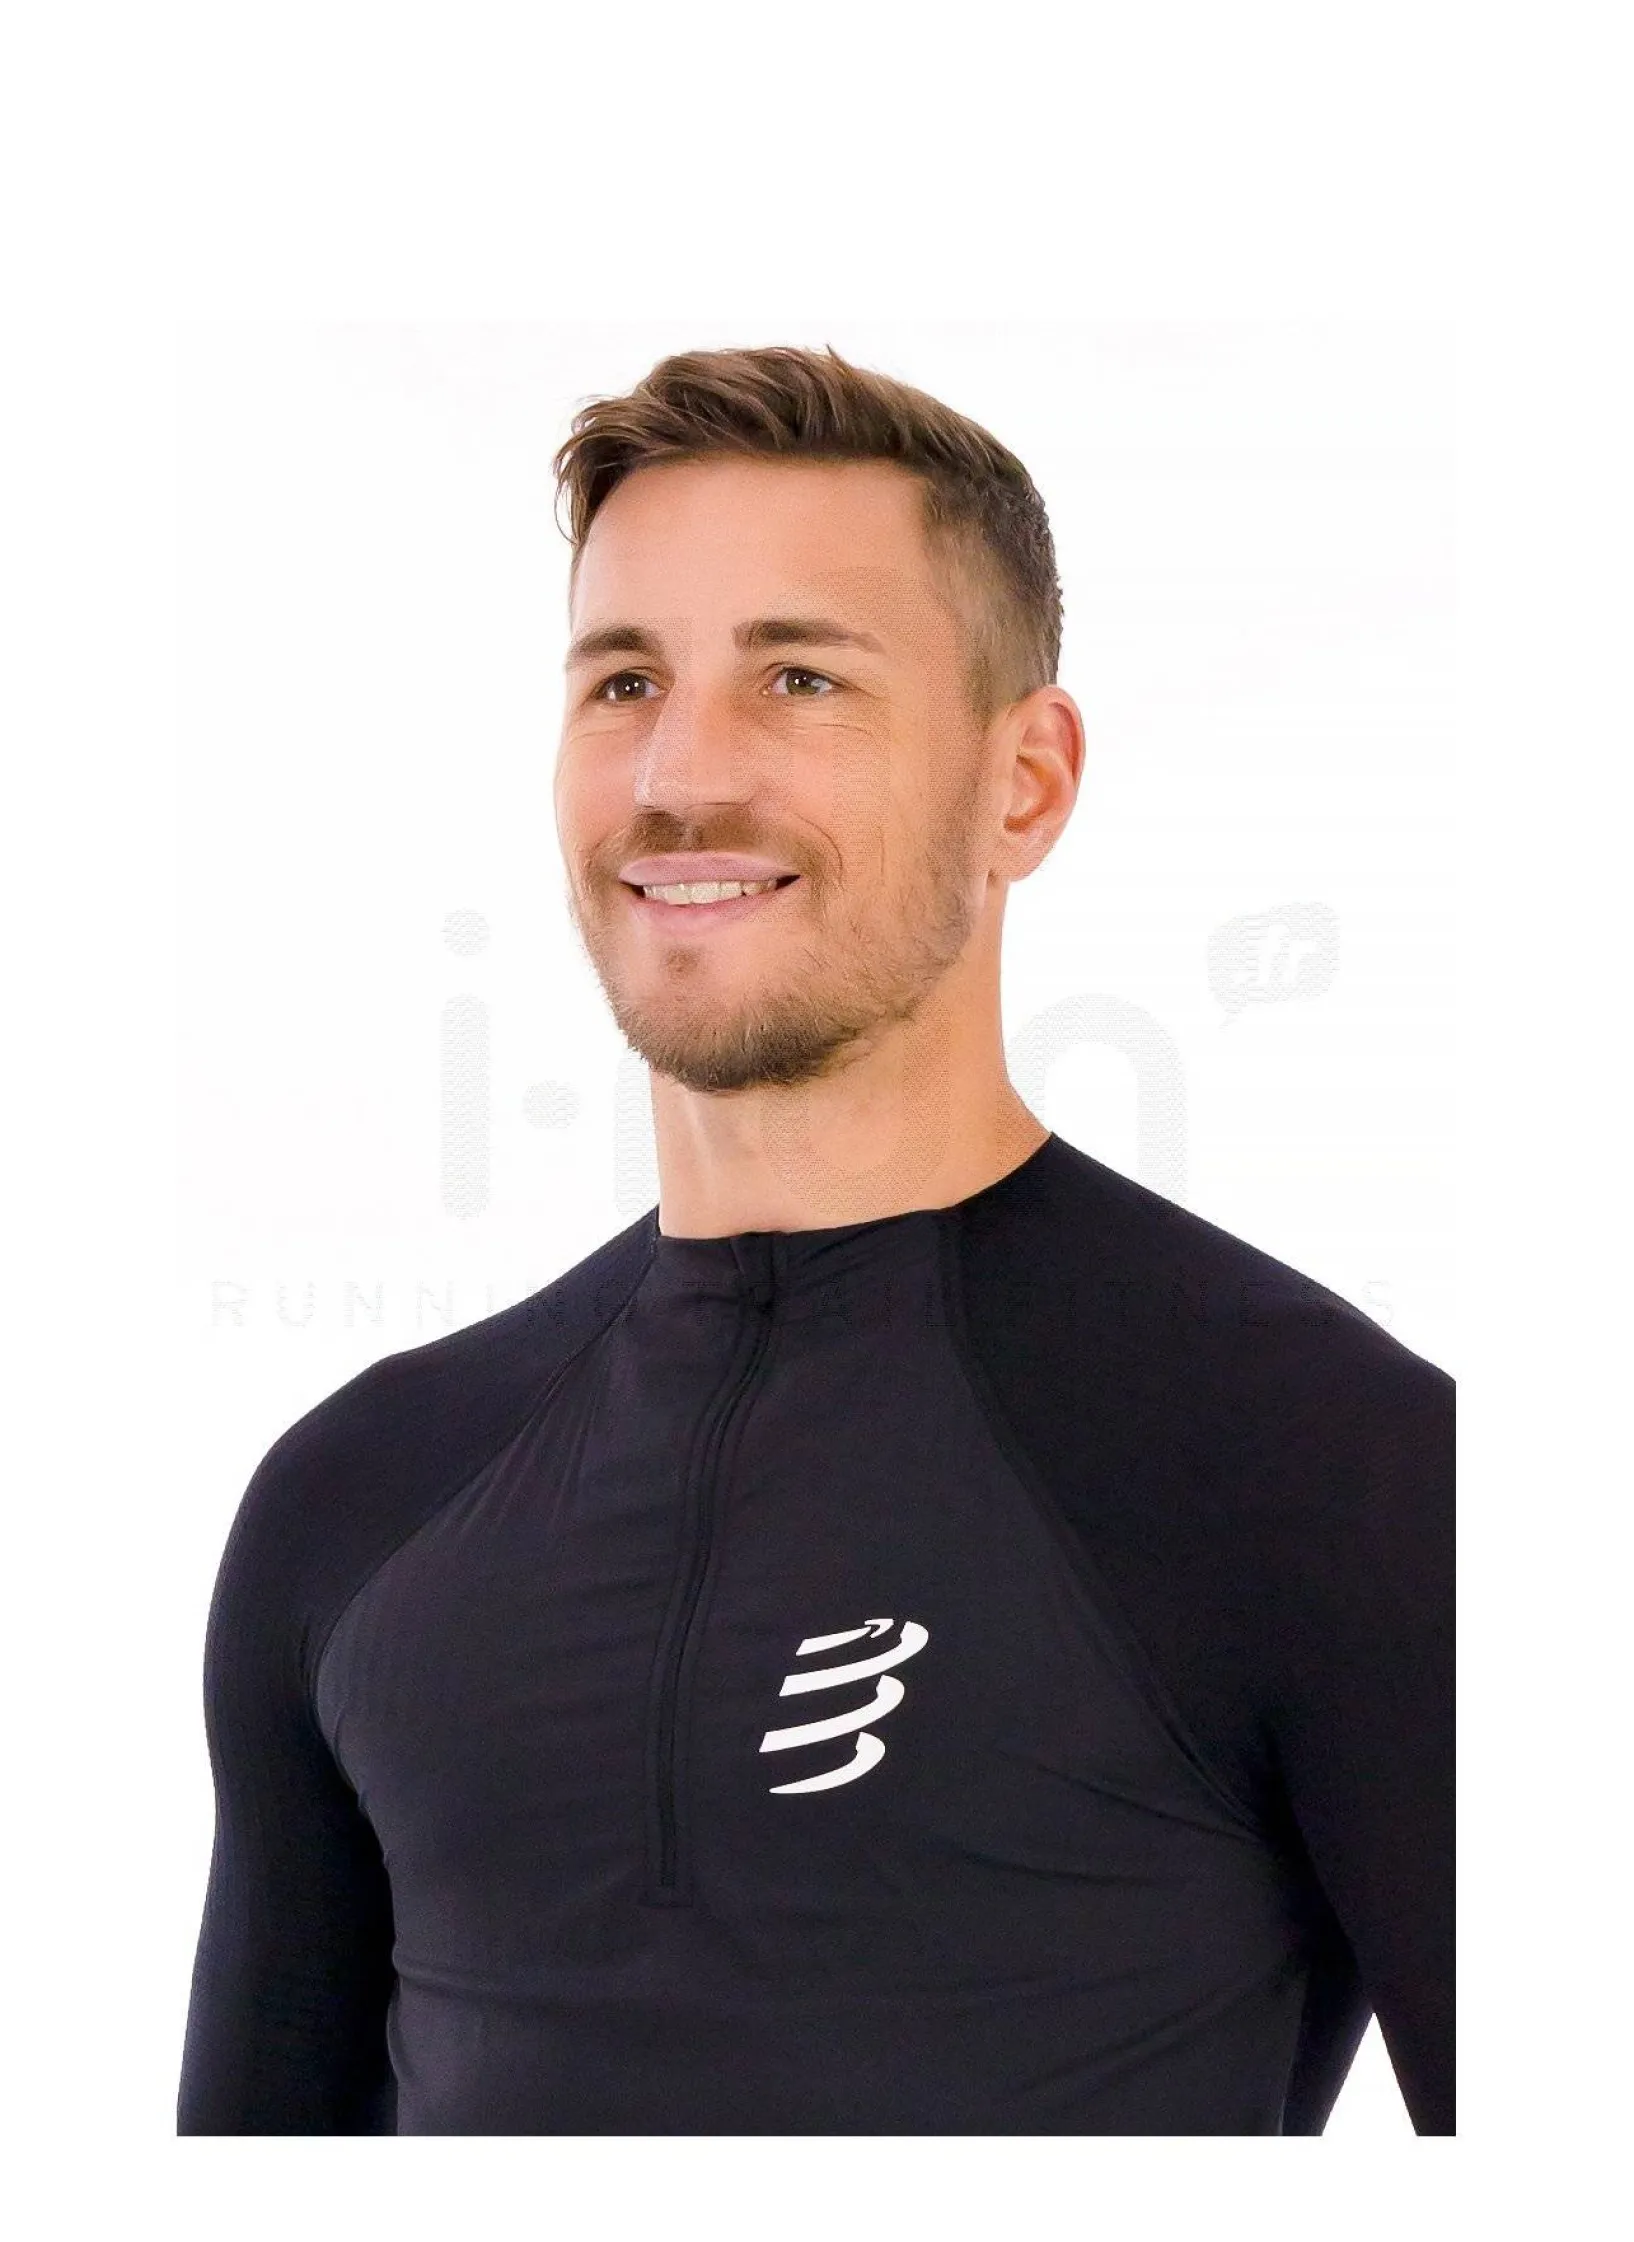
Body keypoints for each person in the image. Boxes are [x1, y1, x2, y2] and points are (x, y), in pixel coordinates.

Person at [176, 343, 1454, 2135]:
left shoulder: (1321, 1460)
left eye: (799, 677)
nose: (682, 772)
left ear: (1023, 783)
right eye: (625, 679)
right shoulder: (358, 1497)